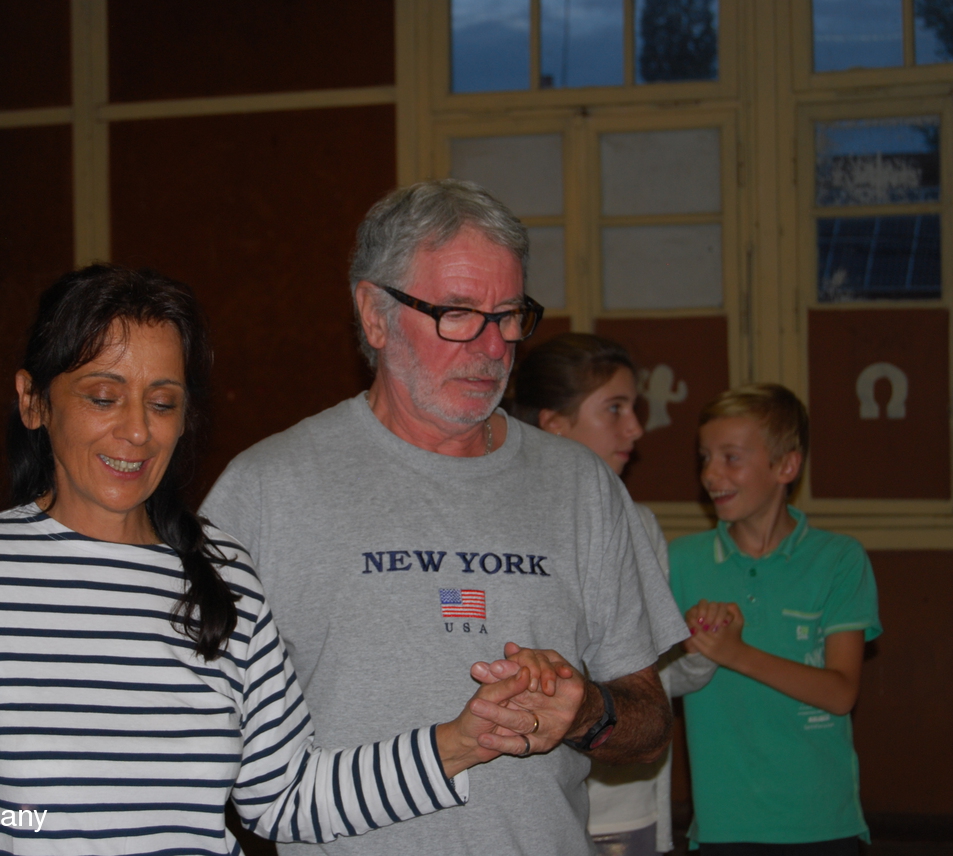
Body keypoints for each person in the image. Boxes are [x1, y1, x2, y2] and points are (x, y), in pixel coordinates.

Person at [0, 265, 548, 856]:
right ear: (32, 400)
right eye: (103, 396)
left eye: (162, 402)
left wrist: (460, 740)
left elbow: (287, 797)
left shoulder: (224, 578)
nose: (136, 431)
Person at [201, 180, 690, 856]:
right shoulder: (265, 491)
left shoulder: (581, 486)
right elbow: (196, 736)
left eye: (508, 315)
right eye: (458, 313)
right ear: (374, 314)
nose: (492, 347)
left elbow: (650, 725)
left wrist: (585, 711)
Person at [507, 333, 716, 855]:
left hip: (626, 808)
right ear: (554, 425)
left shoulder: (637, 523)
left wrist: (697, 653)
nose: (636, 428)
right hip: (534, 809)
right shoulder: (505, 527)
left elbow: (644, 682)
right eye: (614, 408)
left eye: (634, 408)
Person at [669, 384, 882, 855]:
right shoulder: (680, 561)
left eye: (731, 458)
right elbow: (651, 680)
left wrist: (734, 653)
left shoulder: (838, 559)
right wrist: (689, 647)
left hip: (820, 824)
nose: (711, 474)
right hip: (725, 824)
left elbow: (841, 693)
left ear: (786, 466)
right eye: (705, 457)